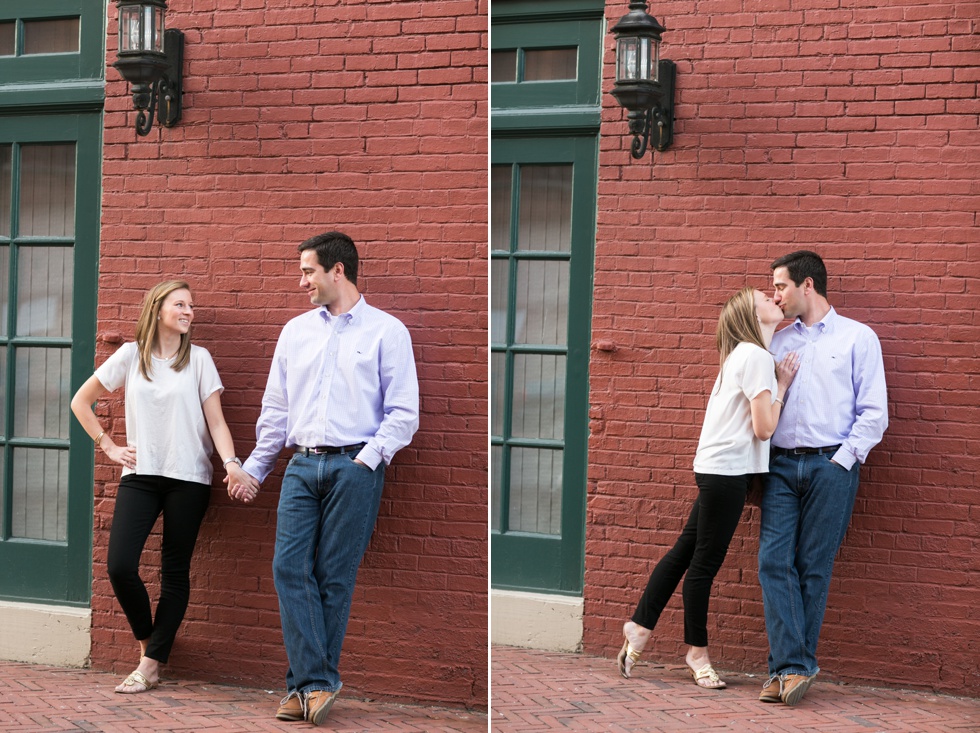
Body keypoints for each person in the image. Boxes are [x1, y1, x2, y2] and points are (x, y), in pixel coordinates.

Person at [233, 231, 419, 726]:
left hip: (354, 467)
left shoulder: (387, 331)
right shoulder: (296, 331)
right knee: (288, 568)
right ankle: (318, 682)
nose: (302, 281)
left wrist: (369, 459)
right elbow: (275, 409)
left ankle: (301, 688)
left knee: (333, 578)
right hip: (301, 464)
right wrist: (256, 467)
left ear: (338, 271)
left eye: (308, 271)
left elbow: (404, 412)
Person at [70, 280, 259, 694]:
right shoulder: (130, 355)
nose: (189, 311)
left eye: (192, 305)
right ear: (158, 310)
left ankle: (151, 664)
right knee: (120, 566)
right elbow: (80, 401)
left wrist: (230, 464)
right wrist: (108, 445)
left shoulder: (200, 360)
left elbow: (217, 421)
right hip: (140, 476)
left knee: (175, 572)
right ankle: (149, 647)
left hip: (188, 479)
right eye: (180, 304)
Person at [618, 287, 799, 690]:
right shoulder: (755, 357)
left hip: (715, 469)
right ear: (755, 317)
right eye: (765, 300)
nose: (774, 298)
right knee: (703, 565)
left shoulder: (742, 355)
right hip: (727, 474)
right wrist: (783, 386)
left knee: (685, 550)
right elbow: (764, 428)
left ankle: (640, 626)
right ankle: (696, 652)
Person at [758, 250, 888, 706]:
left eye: (781, 286)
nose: (775, 295)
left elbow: (874, 413)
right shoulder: (775, 339)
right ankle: (796, 666)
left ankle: (786, 670)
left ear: (807, 285)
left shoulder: (858, 337)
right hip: (779, 466)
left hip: (831, 466)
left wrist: (843, 461)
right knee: (773, 562)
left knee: (813, 567)